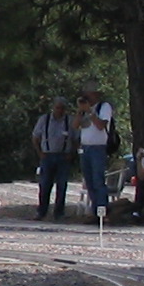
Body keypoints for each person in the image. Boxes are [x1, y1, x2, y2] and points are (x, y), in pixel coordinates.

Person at [31, 97, 75, 221]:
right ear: (53, 107)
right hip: (47, 155)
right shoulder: (44, 120)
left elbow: (76, 139)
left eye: (62, 108)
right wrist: (40, 152)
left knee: (62, 186)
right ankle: (41, 212)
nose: (60, 110)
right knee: (44, 185)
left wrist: (71, 153)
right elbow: (35, 137)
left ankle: (59, 213)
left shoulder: (69, 121)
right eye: (57, 107)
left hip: (63, 157)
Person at [76, 83, 114, 214]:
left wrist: (90, 112)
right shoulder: (85, 110)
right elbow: (75, 125)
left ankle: (103, 210)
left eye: (89, 94)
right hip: (85, 148)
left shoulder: (104, 107)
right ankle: (94, 211)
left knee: (98, 180)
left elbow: (100, 125)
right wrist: (80, 111)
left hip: (98, 148)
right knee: (89, 182)